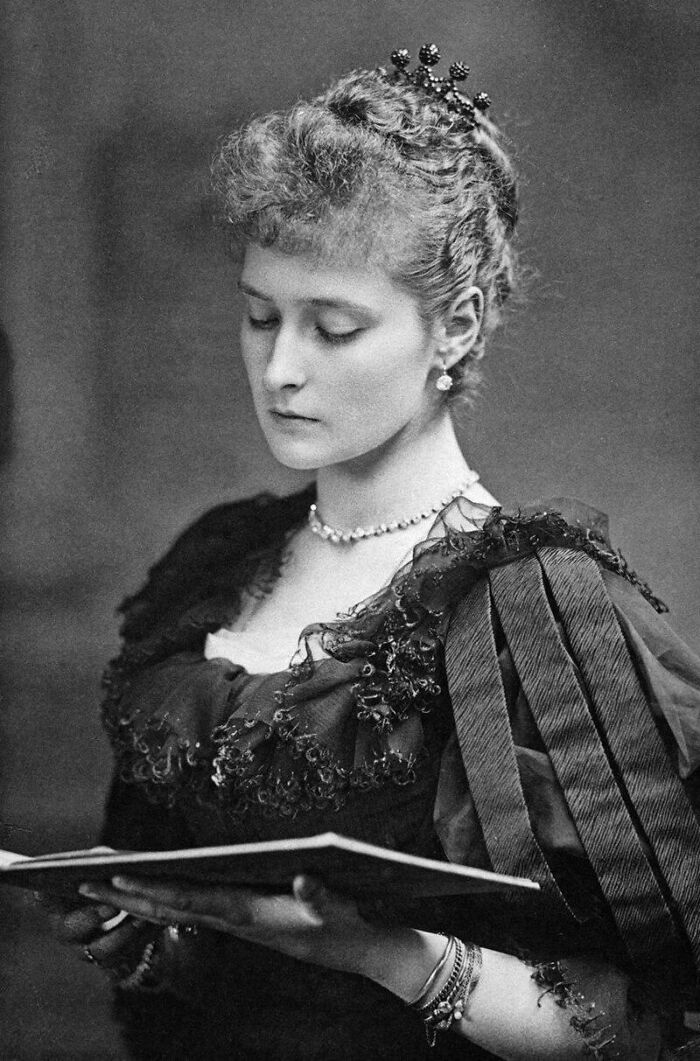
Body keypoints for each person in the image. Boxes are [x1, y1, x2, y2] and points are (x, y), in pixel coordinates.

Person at [46, 44, 700, 1060]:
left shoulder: (535, 608)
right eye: (260, 316)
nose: (281, 367)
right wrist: (151, 932)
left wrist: (384, 952)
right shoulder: (213, 566)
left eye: (333, 327)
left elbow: (630, 1024)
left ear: (456, 326)